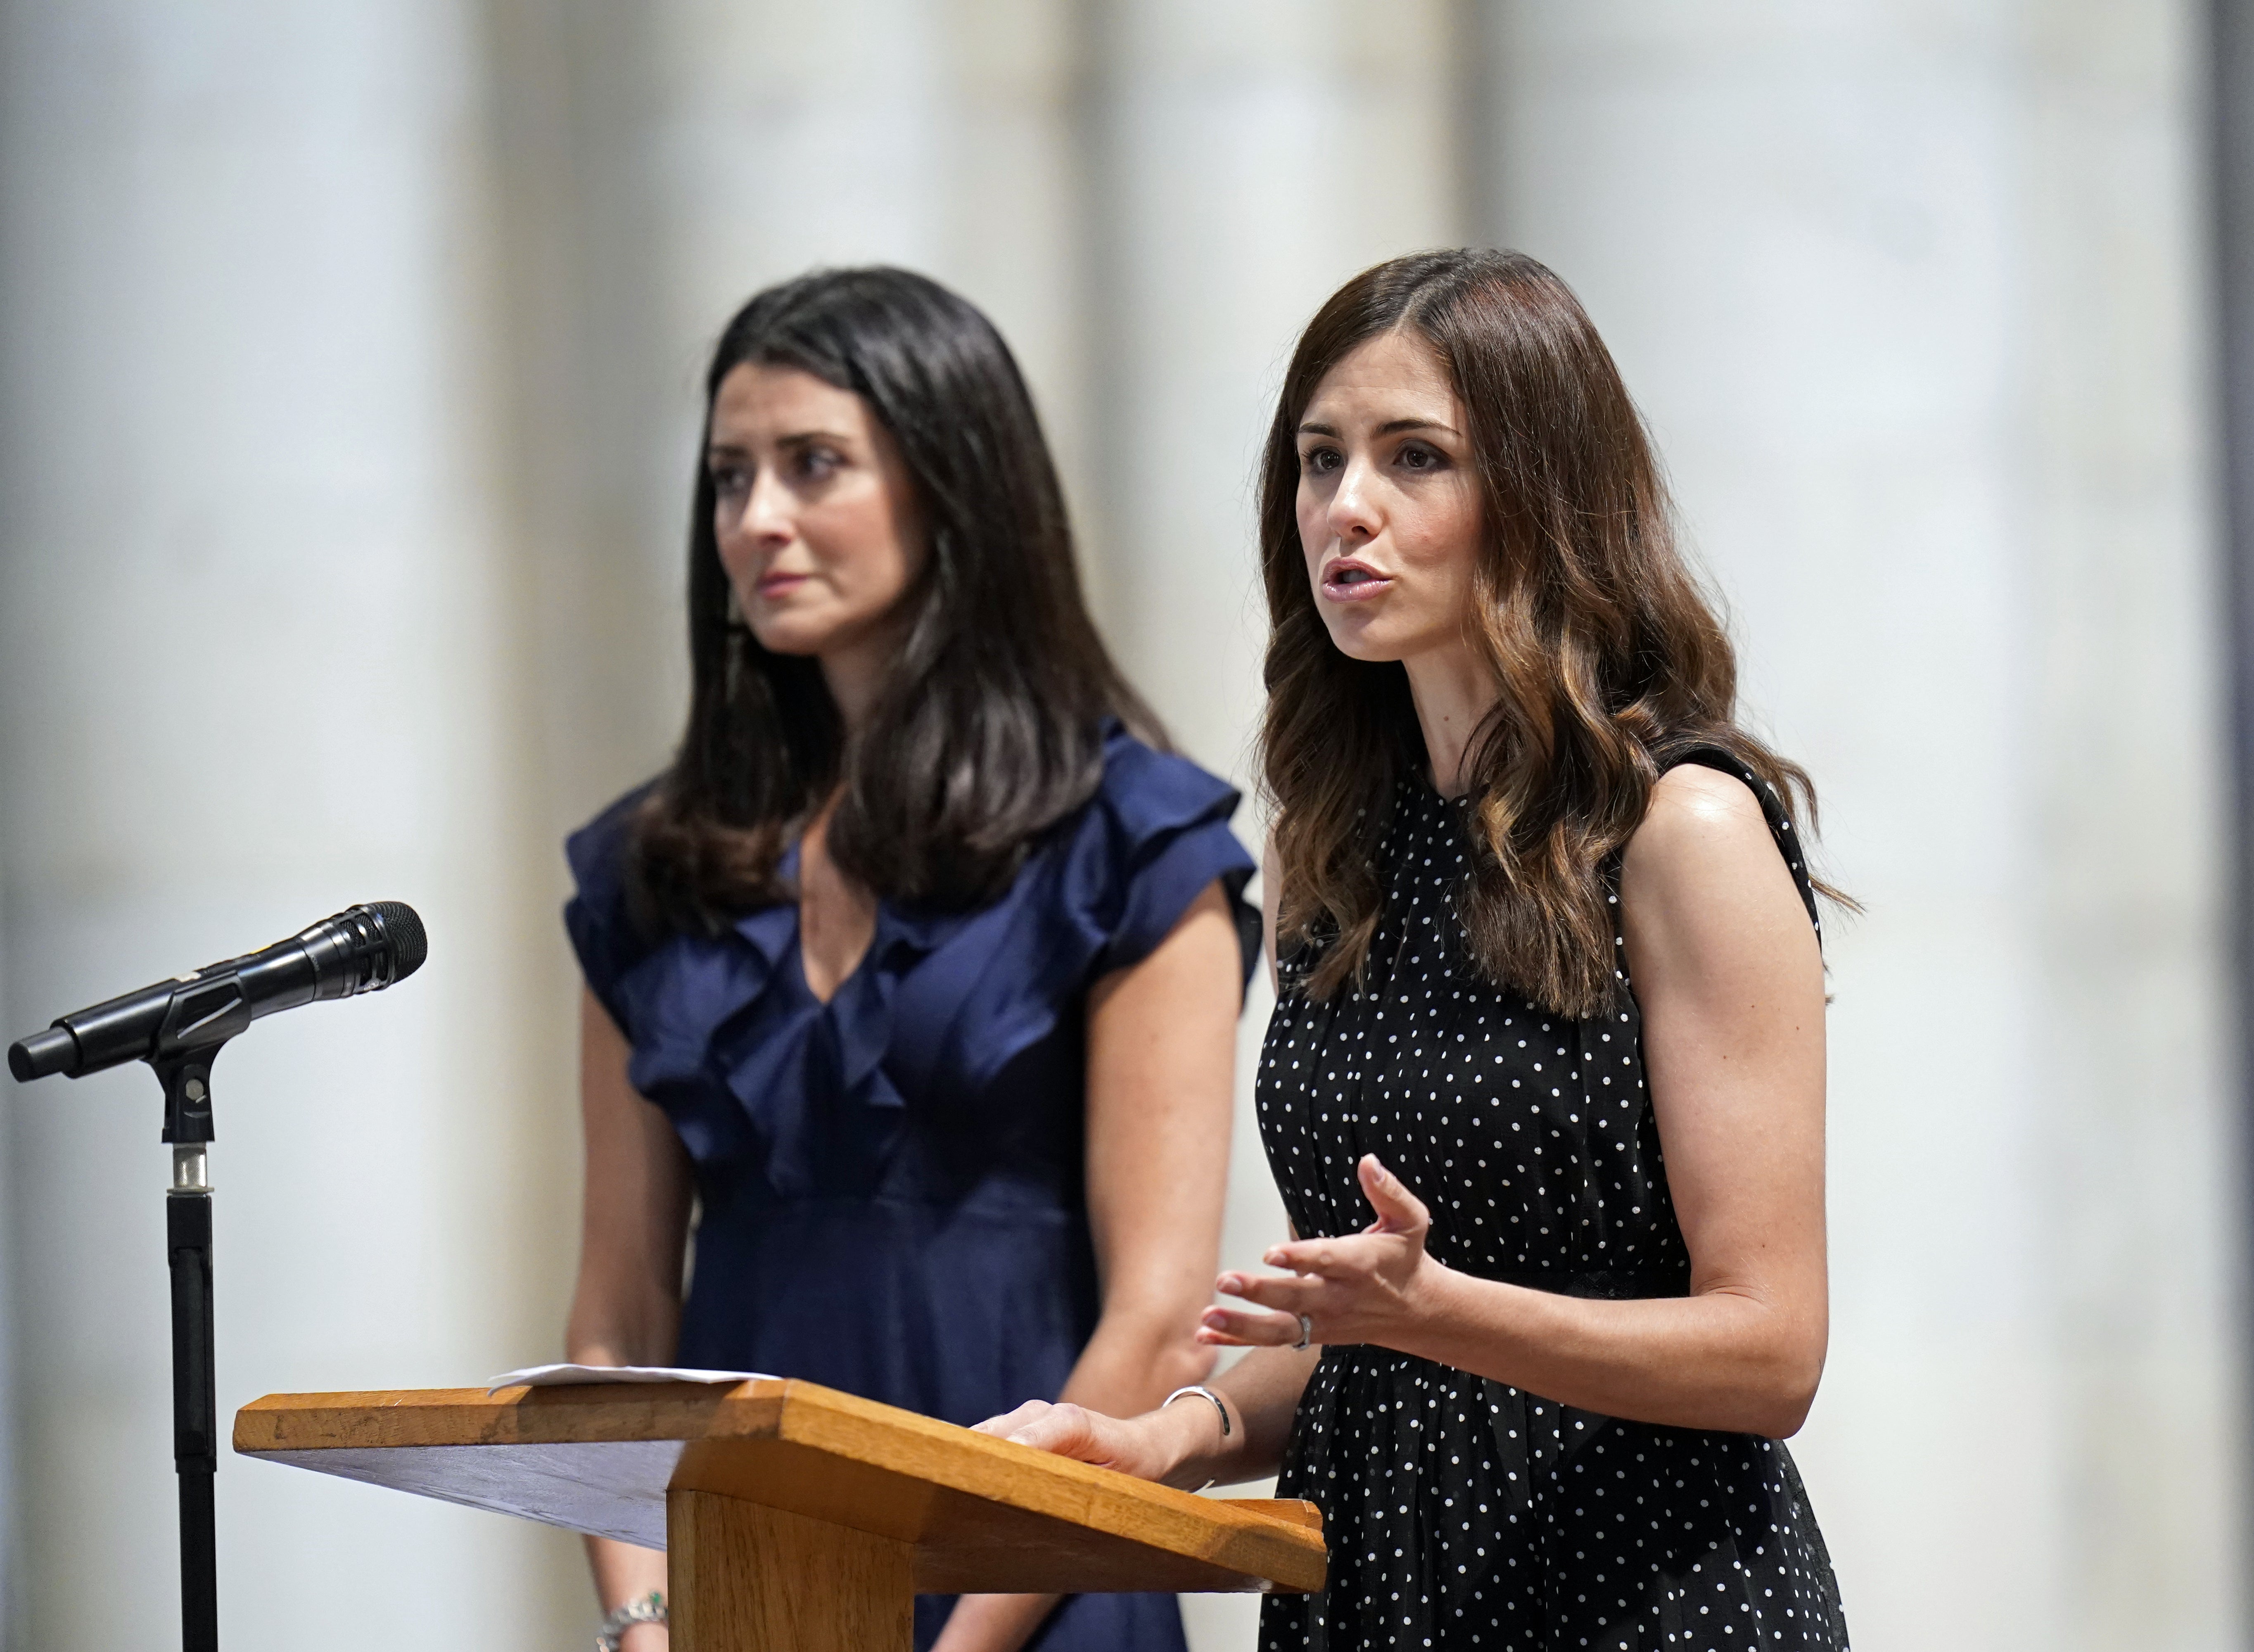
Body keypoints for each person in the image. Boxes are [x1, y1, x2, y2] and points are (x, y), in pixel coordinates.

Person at [979, 249, 1853, 1650]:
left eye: (1414, 459)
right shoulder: (1337, 848)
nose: (1347, 509)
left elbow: (1769, 1349)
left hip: (1637, 1602)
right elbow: (1361, 1329)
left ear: (1543, 492)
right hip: (1377, 1592)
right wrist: (1169, 1436)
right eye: (1319, 462)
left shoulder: (1677, 830)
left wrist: (1437, 1311)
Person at [561, 267, 1258, 1652]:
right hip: (745, 1590)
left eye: (812, 466)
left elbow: (1161, 1317)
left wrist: (962, 1645)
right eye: (727, 478)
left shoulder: (1132, 838)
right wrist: (645, 1620)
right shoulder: (656, 865)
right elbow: (616, 1314)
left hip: (1043, 1582)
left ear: (954, 486)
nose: (754, 520)